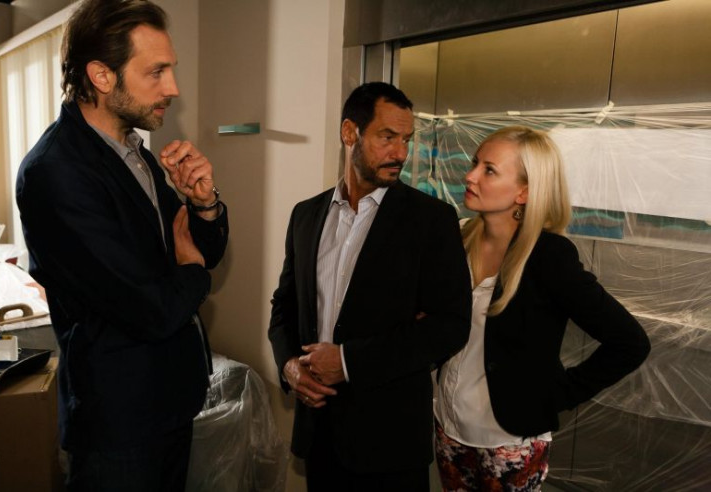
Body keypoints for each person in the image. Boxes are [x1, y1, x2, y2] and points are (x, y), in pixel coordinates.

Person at [16, 1, 228, 490]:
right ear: (102, 76)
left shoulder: (136, 155)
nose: (173, 88)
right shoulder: (55, 172)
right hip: (119, 425)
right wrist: (192, 272)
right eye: (156, 72)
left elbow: (202, 252)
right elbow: (150, 307)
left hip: (169, 404)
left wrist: (204, 205)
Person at [267, 81, 472, 491]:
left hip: (389, 444)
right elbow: (284, 304)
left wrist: (348, 361)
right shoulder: (305, 216)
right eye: (387, 137)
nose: (400, 153)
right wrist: (289, 364)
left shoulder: (432, 221)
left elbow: (450, 326)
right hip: (319, 434)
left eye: (406, 139)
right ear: (350, 133)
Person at [434, 126, 650, 491]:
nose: (470, 176)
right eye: (474, 163)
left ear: (524, 191)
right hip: (448, 424)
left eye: (489, 170)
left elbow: (630, 342)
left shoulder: (549, 257)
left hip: (508, 439)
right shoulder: (459, 237)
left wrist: (557, 395)